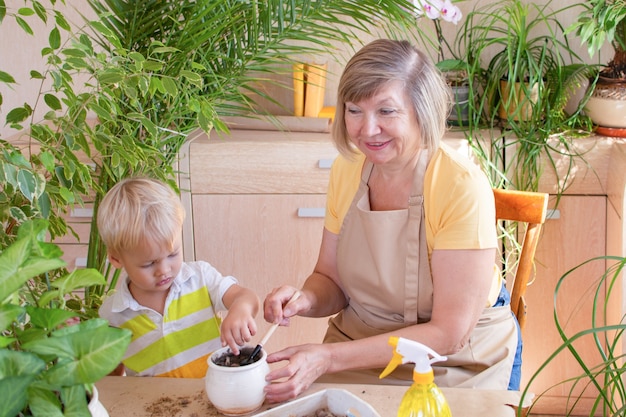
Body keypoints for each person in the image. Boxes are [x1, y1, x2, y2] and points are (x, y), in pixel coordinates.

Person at [262, 39, 520, 403]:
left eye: (386, 111)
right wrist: (304, 298)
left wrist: (329, 358)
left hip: (451, 362)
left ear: (421, 111)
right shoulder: (347, 169)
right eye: (354, 110)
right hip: (360, 345)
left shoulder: (459, 186)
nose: (367, 130)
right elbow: (330, 280)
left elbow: (449, 333)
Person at [98, 177, 260, 378]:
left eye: (173, 254)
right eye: (149, 264)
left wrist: (240, 310)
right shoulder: (112, 315)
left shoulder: (200, 277)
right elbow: (111, 376)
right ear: (116, 258)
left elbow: (246, 297)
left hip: (216, 397)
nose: (164, 270)